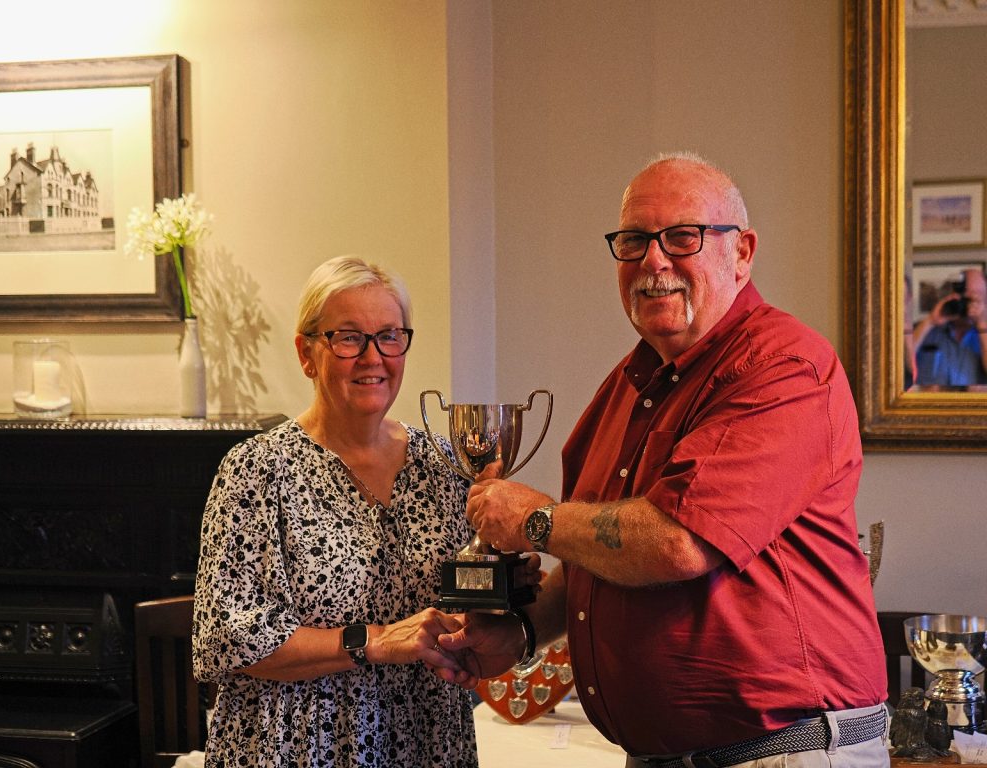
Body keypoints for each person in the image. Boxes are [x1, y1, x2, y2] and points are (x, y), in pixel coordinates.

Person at [436, 153, 890, 768]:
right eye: (633, 241)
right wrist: (519, 634)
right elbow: (592, 558)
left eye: (683, 237)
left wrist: (537, 520)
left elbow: (679, 542)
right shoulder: (627, 384)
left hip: (781, 753)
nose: (654, 262)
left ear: (743, 252)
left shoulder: (783, 367)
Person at [193, 255, 532, 767]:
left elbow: (467, 597)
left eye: (390, 336)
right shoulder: (257, 472)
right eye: (348, 337)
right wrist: (373, 640)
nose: (372, 357)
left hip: (426, 741)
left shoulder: (444, 465)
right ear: (307, 354)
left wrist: (507, 595)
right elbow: (227, 641)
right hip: (298, 749)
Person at [912, 267, 987, 388]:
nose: (968, 304)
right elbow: (895, 364)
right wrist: (930, 321)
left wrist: (982, 325)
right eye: (964, 298)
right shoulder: (926, 328)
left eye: (975, 299)